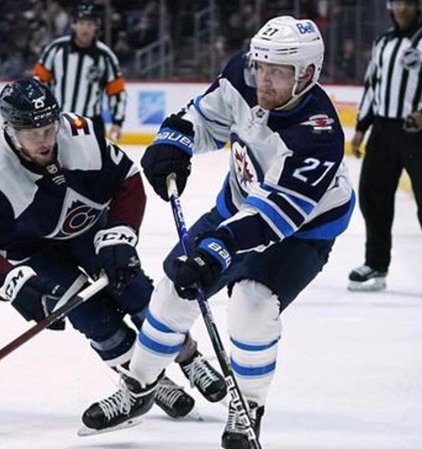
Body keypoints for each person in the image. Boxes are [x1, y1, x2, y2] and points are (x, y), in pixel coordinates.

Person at [81, 16, 355, 449]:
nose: (264, 79)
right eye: (261, 66)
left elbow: (274, 215)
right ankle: (139, 388)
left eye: (278, 72)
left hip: (302, 231)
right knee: (172, 291)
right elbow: (204, 118)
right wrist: (173, 143)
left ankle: (248, 407)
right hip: (238, 204)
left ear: (307, 75)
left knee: (252, 304)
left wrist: (217, 249)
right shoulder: (243, 76)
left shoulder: (317, 134)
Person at [0, 78, 227, 423]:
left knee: (133, 289)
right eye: (33, 133)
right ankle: (145, 382)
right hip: (32, 248)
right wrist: (14, 285)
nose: (45, 140)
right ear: (9, 130)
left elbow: (128, 179)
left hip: (86, 227)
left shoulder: (79, 135)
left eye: (49, 128)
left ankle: (189, 357)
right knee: (90, 316)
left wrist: (120, 233)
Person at [348, 0, 422, 296]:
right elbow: (372, 86)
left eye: (409, 3)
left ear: (419, 6)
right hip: (383, 131)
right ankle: (376, 264)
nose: (403, 9)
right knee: (373, 197)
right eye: (398, 2)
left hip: (419, 131)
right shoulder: (383, 41)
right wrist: (361, 127)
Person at [33, 1, 127, 142]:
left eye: (89, 24)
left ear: (96, 26)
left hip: (91, 123)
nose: (85, 28)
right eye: (82, 23)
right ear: (73, 24)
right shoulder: (55, 50)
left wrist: (117, 122)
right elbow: (39, 83)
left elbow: (117, 91)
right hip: (58, 121)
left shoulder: (105, 56)